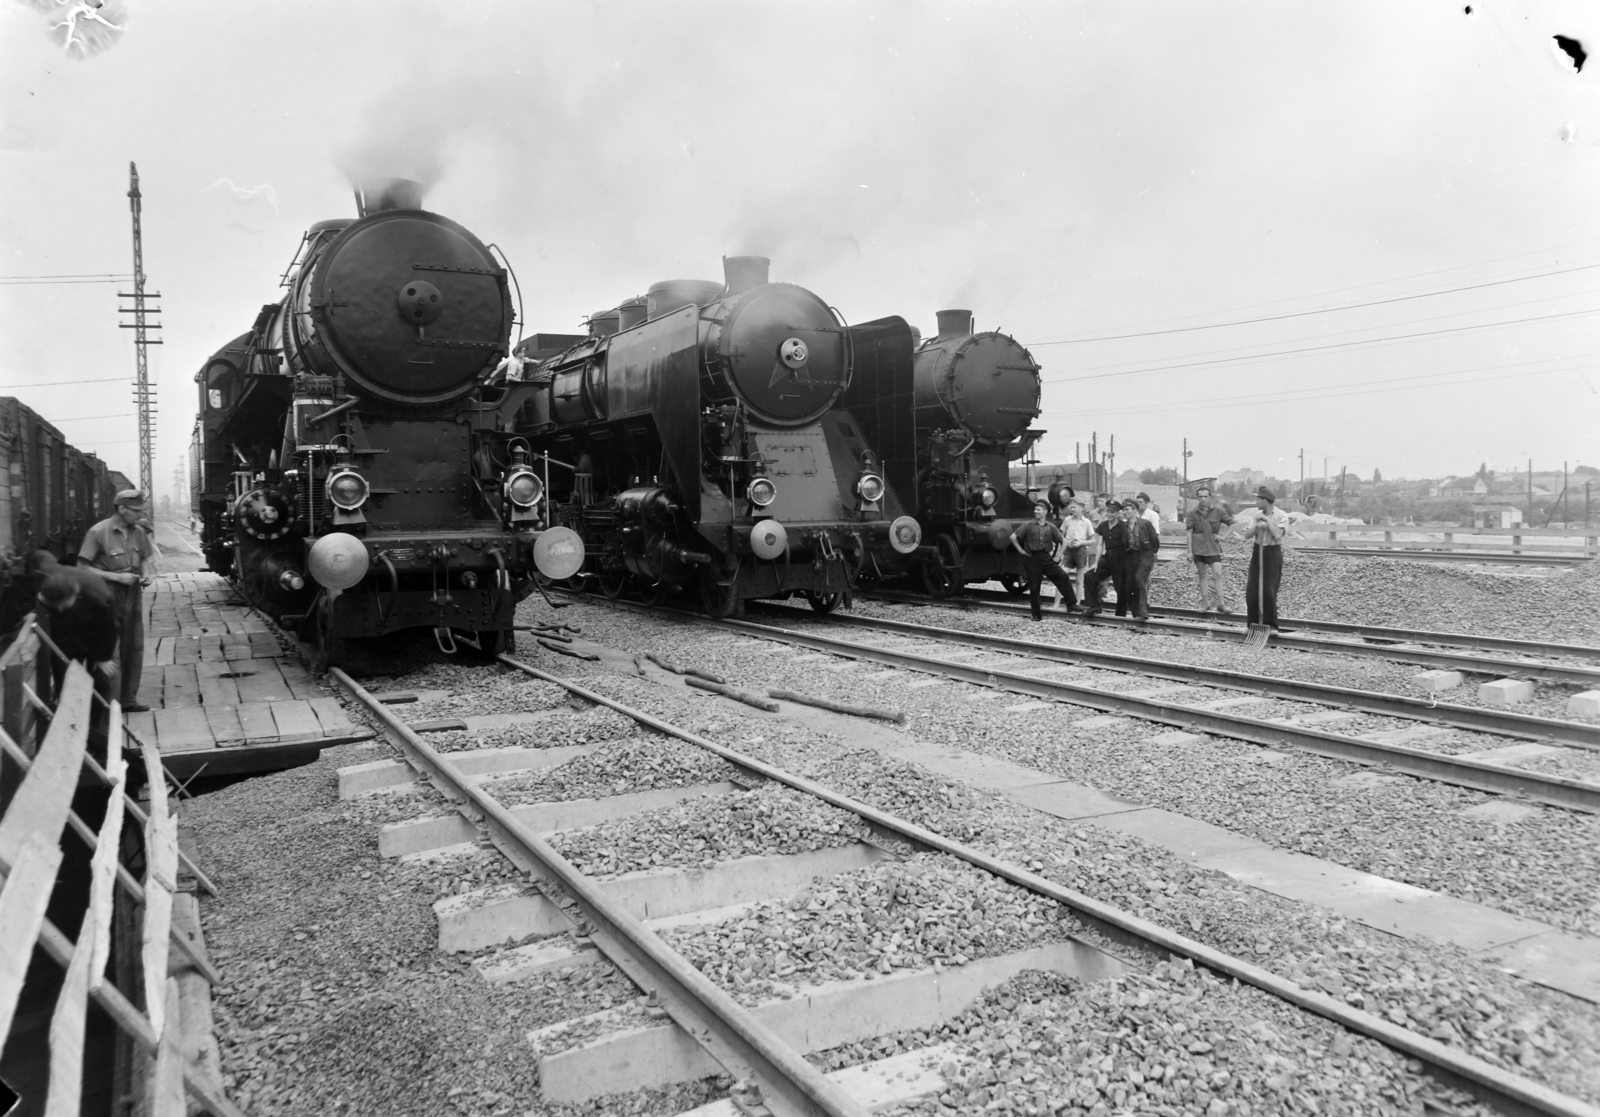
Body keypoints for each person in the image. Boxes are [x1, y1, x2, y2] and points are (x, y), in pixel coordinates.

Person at [79, 489, 156, 712]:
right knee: (108, 647)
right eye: (136, 511)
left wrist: (146, 573)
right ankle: (109, 705)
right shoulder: (98, 532)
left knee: (134, 646)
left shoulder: (139, 532)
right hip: (106, 595)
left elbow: (143, 559)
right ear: (122, 509)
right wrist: (116, 577)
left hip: (132, 594)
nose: (140, 515)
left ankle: (128, 700)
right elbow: (83, 568)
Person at [36, 572, 121, 704]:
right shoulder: (48, 593)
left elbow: (110, 628)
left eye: (63, 604)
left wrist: (103, 658)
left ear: (74, 594)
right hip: (66, 633)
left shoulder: (100, 599)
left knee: (101, 679)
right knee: (64, 675)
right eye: (56, 605)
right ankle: (69, 715)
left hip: (98, 634)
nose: (59, 608)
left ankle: (98, 722)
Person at [1009, 501, 1078, 621]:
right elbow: (1013, 537)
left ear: (1045, 511)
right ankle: (1036, 615)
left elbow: (1064, 541)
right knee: (1034, 587)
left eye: (1039, 509)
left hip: (1046, 558)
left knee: (1062, 576)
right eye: (1035, 509)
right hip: (1032, 559)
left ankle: (1071, 604)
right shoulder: (1028, 525)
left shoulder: (1050, 527)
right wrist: (1020, 550)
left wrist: (1058, 556)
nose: (1036, 511)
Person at [1184, 486, 1234, 613]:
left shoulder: (1218, 511)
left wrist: (1223, 536)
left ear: (1210, 497)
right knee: (1202, 575)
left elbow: (1232, 524)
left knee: (1217, 574)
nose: (1203, 499)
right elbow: (1189, 533)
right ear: (1197, 498)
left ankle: (1221, 604)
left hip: (1213, 548)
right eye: (1200, 496)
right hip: (1198, 549)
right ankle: (1205, 604)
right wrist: (1189, 552)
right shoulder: (1191, 514)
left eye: (1205, 496)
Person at [1244, 485, 1287, 631]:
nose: (1256, 502)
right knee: (1252, 590)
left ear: (1265, 501)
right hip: (1258, 551)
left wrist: (1267, 522)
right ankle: (1252, 625)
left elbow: (1277, 534)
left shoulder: (1281, 515)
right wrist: (1257, 527)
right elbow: (1247, 535)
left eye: (1258, 499)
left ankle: (1271, 626)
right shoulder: (1256, 516)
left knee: (1269, 590)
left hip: (1272, 553)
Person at [1082, 500, 1128, 616]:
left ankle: (1120, 614)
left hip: (1121, 558)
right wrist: (1096, 563)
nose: (1110, 514)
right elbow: (1099, 545)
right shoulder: (1103, 525)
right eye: (1108, 511)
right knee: (1089, 576)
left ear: (1118, 513)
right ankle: (1094, 606)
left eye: (1113, 512)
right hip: (1108, 556)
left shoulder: (1123, 526)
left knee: (1120, 587)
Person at [1121, 500, 1160, 619]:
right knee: (1131, 584)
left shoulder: (1145, 524)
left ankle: (1143, 613)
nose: (1124, 512)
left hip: (1145, 555)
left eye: (1127, 510)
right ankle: (1135, 613)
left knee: (1139, 579)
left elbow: (1155, 541)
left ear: (1135, 510)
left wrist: (1151, 554)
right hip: (1130, 557)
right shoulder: (1123, 526)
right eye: (1124, 510)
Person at [1053, 499, 1094, 606]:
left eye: (1074, 507)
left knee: (1079, 580)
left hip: (1081, 551)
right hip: (1068, 550)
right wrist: (1066, 542)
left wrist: (1081, 543)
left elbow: (1093, 540)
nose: (1072, 509)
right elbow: (1060, 535)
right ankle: (1056, 604)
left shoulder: (1086, 522)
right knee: (1061, 576)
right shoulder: (1067, 520)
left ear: (1082, 509)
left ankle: (1077, 604)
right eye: (1071, 507)